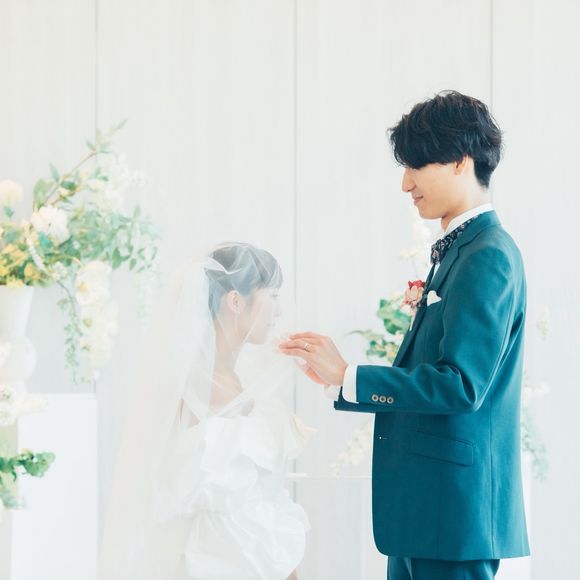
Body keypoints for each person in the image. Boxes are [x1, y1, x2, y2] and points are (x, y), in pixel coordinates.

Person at [279, 90, 530, 580]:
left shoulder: (487, 255)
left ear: (459, 161)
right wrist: (337, 381)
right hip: (429, 514)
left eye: (416, 165)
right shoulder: (462, 250)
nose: (405, 184)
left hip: (453, 518)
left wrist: (350, 374)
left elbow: (462, 386)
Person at [99, 242, 315, 580]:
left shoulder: (232, 378)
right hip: (219, 559)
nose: (278, 311)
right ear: (235, 301)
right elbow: (221, 503)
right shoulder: (199, 387)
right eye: (272, 295)